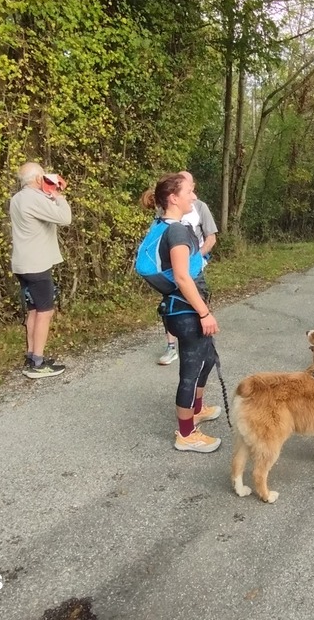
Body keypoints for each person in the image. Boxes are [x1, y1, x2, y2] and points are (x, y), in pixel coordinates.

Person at [140, 172, 223, 453]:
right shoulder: (176, 231)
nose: (194, 197)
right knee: (191, 370)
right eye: (189, 192)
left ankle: (196, 410)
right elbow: (182, 276)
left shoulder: (164, 225)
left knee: (207, 359)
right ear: (174, 198)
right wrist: (204, 313)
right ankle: (186, 434)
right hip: (186, 311)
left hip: (182, 308)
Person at [10, 162, 72, 379]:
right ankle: (38, 362)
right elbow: (65, 218)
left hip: (22, 264)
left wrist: (49, 194)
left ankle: (31, 356)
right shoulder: (34, 199)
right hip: (37, 265)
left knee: (34, 310)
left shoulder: (17, 198)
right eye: (43, 176)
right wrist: (59, 196)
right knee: (45, 312)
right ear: (38, 179)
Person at [158, 171, 219, 366]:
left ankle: (201, 341)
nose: (192, 194)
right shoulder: (169, 214)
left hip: (194, 266)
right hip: (174, 269)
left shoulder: (200, 207)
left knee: (193, 303)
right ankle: (172, 347)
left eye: (190, 187)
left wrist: (196, 258)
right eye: (187, 189)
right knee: (171, 303)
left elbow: (211, 238)